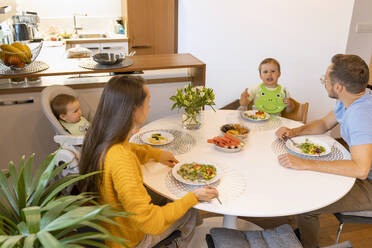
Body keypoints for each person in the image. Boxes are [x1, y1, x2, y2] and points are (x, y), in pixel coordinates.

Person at [79, 75, 219, 248]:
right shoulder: (122, 159)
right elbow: (150, 223)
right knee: (189, 211)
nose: (149, 107)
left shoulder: (100, 138)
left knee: (168, 196)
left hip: (109, 227)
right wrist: (193, 197)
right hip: (129, 240)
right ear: (133, 109)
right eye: (147, 102)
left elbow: (130, 148)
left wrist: (155, 154)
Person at [275, 54, 372, 248]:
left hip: (368, 181)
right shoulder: (354, 98)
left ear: (339, 87)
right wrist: (294, 132)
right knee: (304, 179)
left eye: (325, 80)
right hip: (362, 172)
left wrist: (306, 163)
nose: (323, 82)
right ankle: (299, 233)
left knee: (307, 204)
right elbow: (324, 124)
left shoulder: (361, 115)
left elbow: (361, 169)